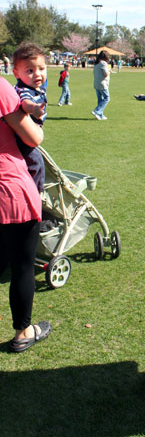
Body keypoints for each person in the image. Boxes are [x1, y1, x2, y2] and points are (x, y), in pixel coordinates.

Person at [0, 76, 52, 352]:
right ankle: (23, 332)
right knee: (22, 267)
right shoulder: (1, 87)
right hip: (9, 189)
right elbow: (34, 137)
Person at [12, 42, 48, 193]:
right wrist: (33, 108)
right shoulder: (25, 90)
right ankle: (34, 194)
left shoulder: (34, 87)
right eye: (30, 70)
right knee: (36, 163)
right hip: (22, 136)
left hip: (26, 134)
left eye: (41, 68)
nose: (38, 74)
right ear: (16, 73)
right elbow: (25, 103)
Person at [92, 50, 110, 120]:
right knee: (107, 98)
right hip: (102, 84)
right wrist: (109, 71)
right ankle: (96, 111)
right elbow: (106, 74)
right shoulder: (103, 63)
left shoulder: (96, 63)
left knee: (100, 100)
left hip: (96, 83)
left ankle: (100, 115)